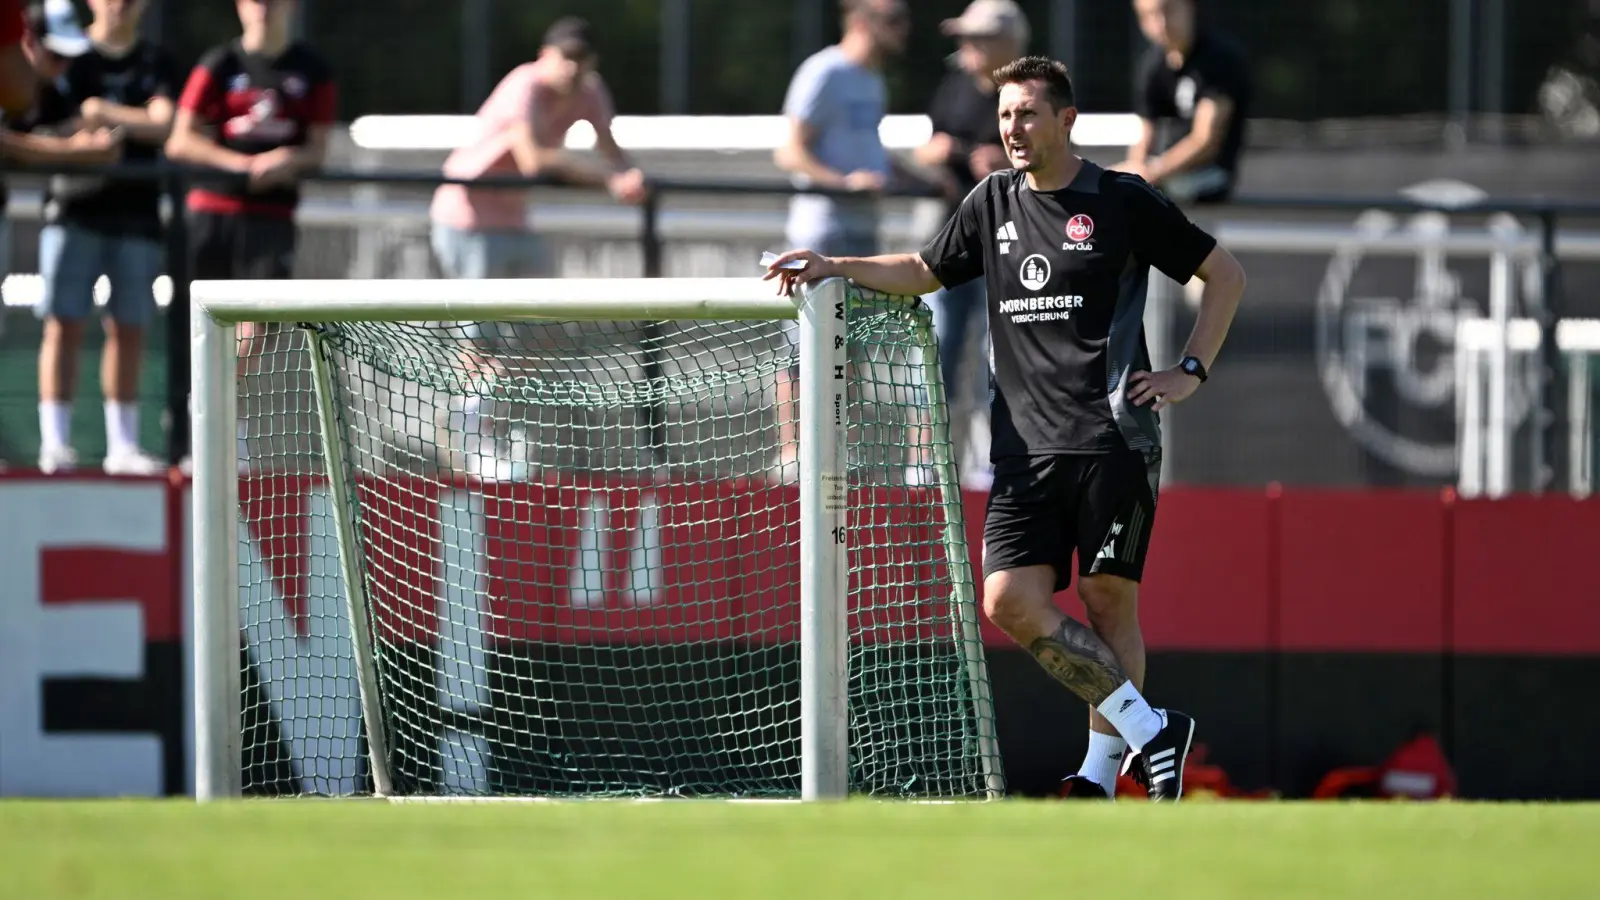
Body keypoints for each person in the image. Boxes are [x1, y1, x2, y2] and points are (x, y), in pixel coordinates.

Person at [765, 56, 1248, 801]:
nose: (1012, 129)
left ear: (1066, 120)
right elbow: (925, 270)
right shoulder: (991, 201)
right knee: (1006, 601)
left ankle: (1096, 776)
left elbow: (1225, 276)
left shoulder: (1122, 199)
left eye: (1026, 113)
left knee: (1108, 602)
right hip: (1021, 449)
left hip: (1113, 438)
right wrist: (835, 264)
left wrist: (1191, 370)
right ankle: (1153, 731)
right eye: (1003, 116)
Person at [165, 0, 335, 471]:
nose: (264, 8)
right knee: (199, 329)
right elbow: (180, 139)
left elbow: (318, 148)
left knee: (257, 327)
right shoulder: (219, 64)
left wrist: (287, 161)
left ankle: (226, 421)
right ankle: (189, 432)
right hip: (212, 212)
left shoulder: (312, 69)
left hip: (271, 217)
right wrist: (240, 165)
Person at [769, 0, 912, 482]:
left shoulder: (873, 79)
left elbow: (868, 150)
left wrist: (916, 173)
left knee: (849, 344)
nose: (903, 29)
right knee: (798, 345)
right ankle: (792, 456)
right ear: (861, 20)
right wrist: (842, 182)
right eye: (892, 18)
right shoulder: (824, 71)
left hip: (861, 229)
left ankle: (832, 449)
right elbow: (789, 150)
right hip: (821, 228)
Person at [33, 0, 176, 476]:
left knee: (129, 326)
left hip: (136, 215)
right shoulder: (68, 53)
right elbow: (43, 124)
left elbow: (164, 124)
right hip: (72, 211)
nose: (120, 4)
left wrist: (101, 111)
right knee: (64, 322)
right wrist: (86, 135)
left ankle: (124, 445)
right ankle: (54, 443)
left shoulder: (155, 62)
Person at [429, 16, 646, 280]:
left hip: (515, 221)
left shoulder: (589, 90)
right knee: (480, 321)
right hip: (466, 221)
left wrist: (634, 177)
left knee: (541, 317)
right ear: (544, 54)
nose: (572, 66)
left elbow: (611, 149)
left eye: (580, 57)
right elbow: (533, 162)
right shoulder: (524, 84)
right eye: (565, 56)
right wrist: (611, 181)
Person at [912, 0, 1030, 488]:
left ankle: (989, 460)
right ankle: (926, 462)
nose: (966, 48)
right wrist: (939, 154)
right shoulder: (954, 84)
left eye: (975, 38)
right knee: (935, 350)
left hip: (1008, 246)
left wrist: (1003, 165)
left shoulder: (1026, 92)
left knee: (997, 358)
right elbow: (927, 145)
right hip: (953, 243)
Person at [1113, 0, 1252, 204]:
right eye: (1149, 15)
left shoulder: (1219, 60)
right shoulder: (1152, 65)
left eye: (1168, 11)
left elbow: (1205, 142)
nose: (1161, 23)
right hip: (1161, 173)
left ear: (1190, 7)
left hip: (1208, 177)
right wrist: (1135, 170)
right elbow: (1144, 138)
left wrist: (1152, 173)